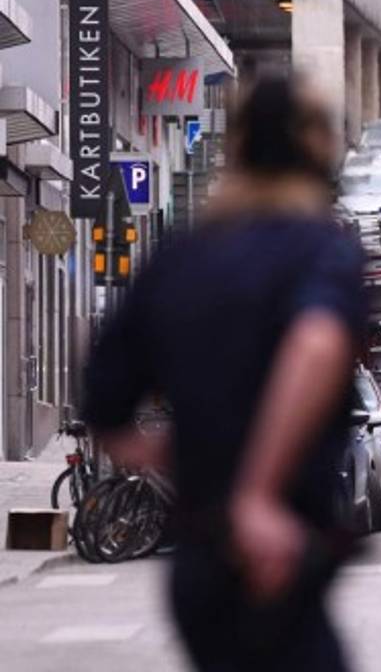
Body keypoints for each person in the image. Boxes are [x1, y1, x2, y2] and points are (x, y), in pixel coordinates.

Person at [83, 76, 366, 672]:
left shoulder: (182, 256)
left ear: (235, 149)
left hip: (200, 563)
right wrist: (257, 494)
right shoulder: (319, 248)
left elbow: (104, 398)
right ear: (315, 147)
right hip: (279, 553)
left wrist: (192, 454)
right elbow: (316, 342)